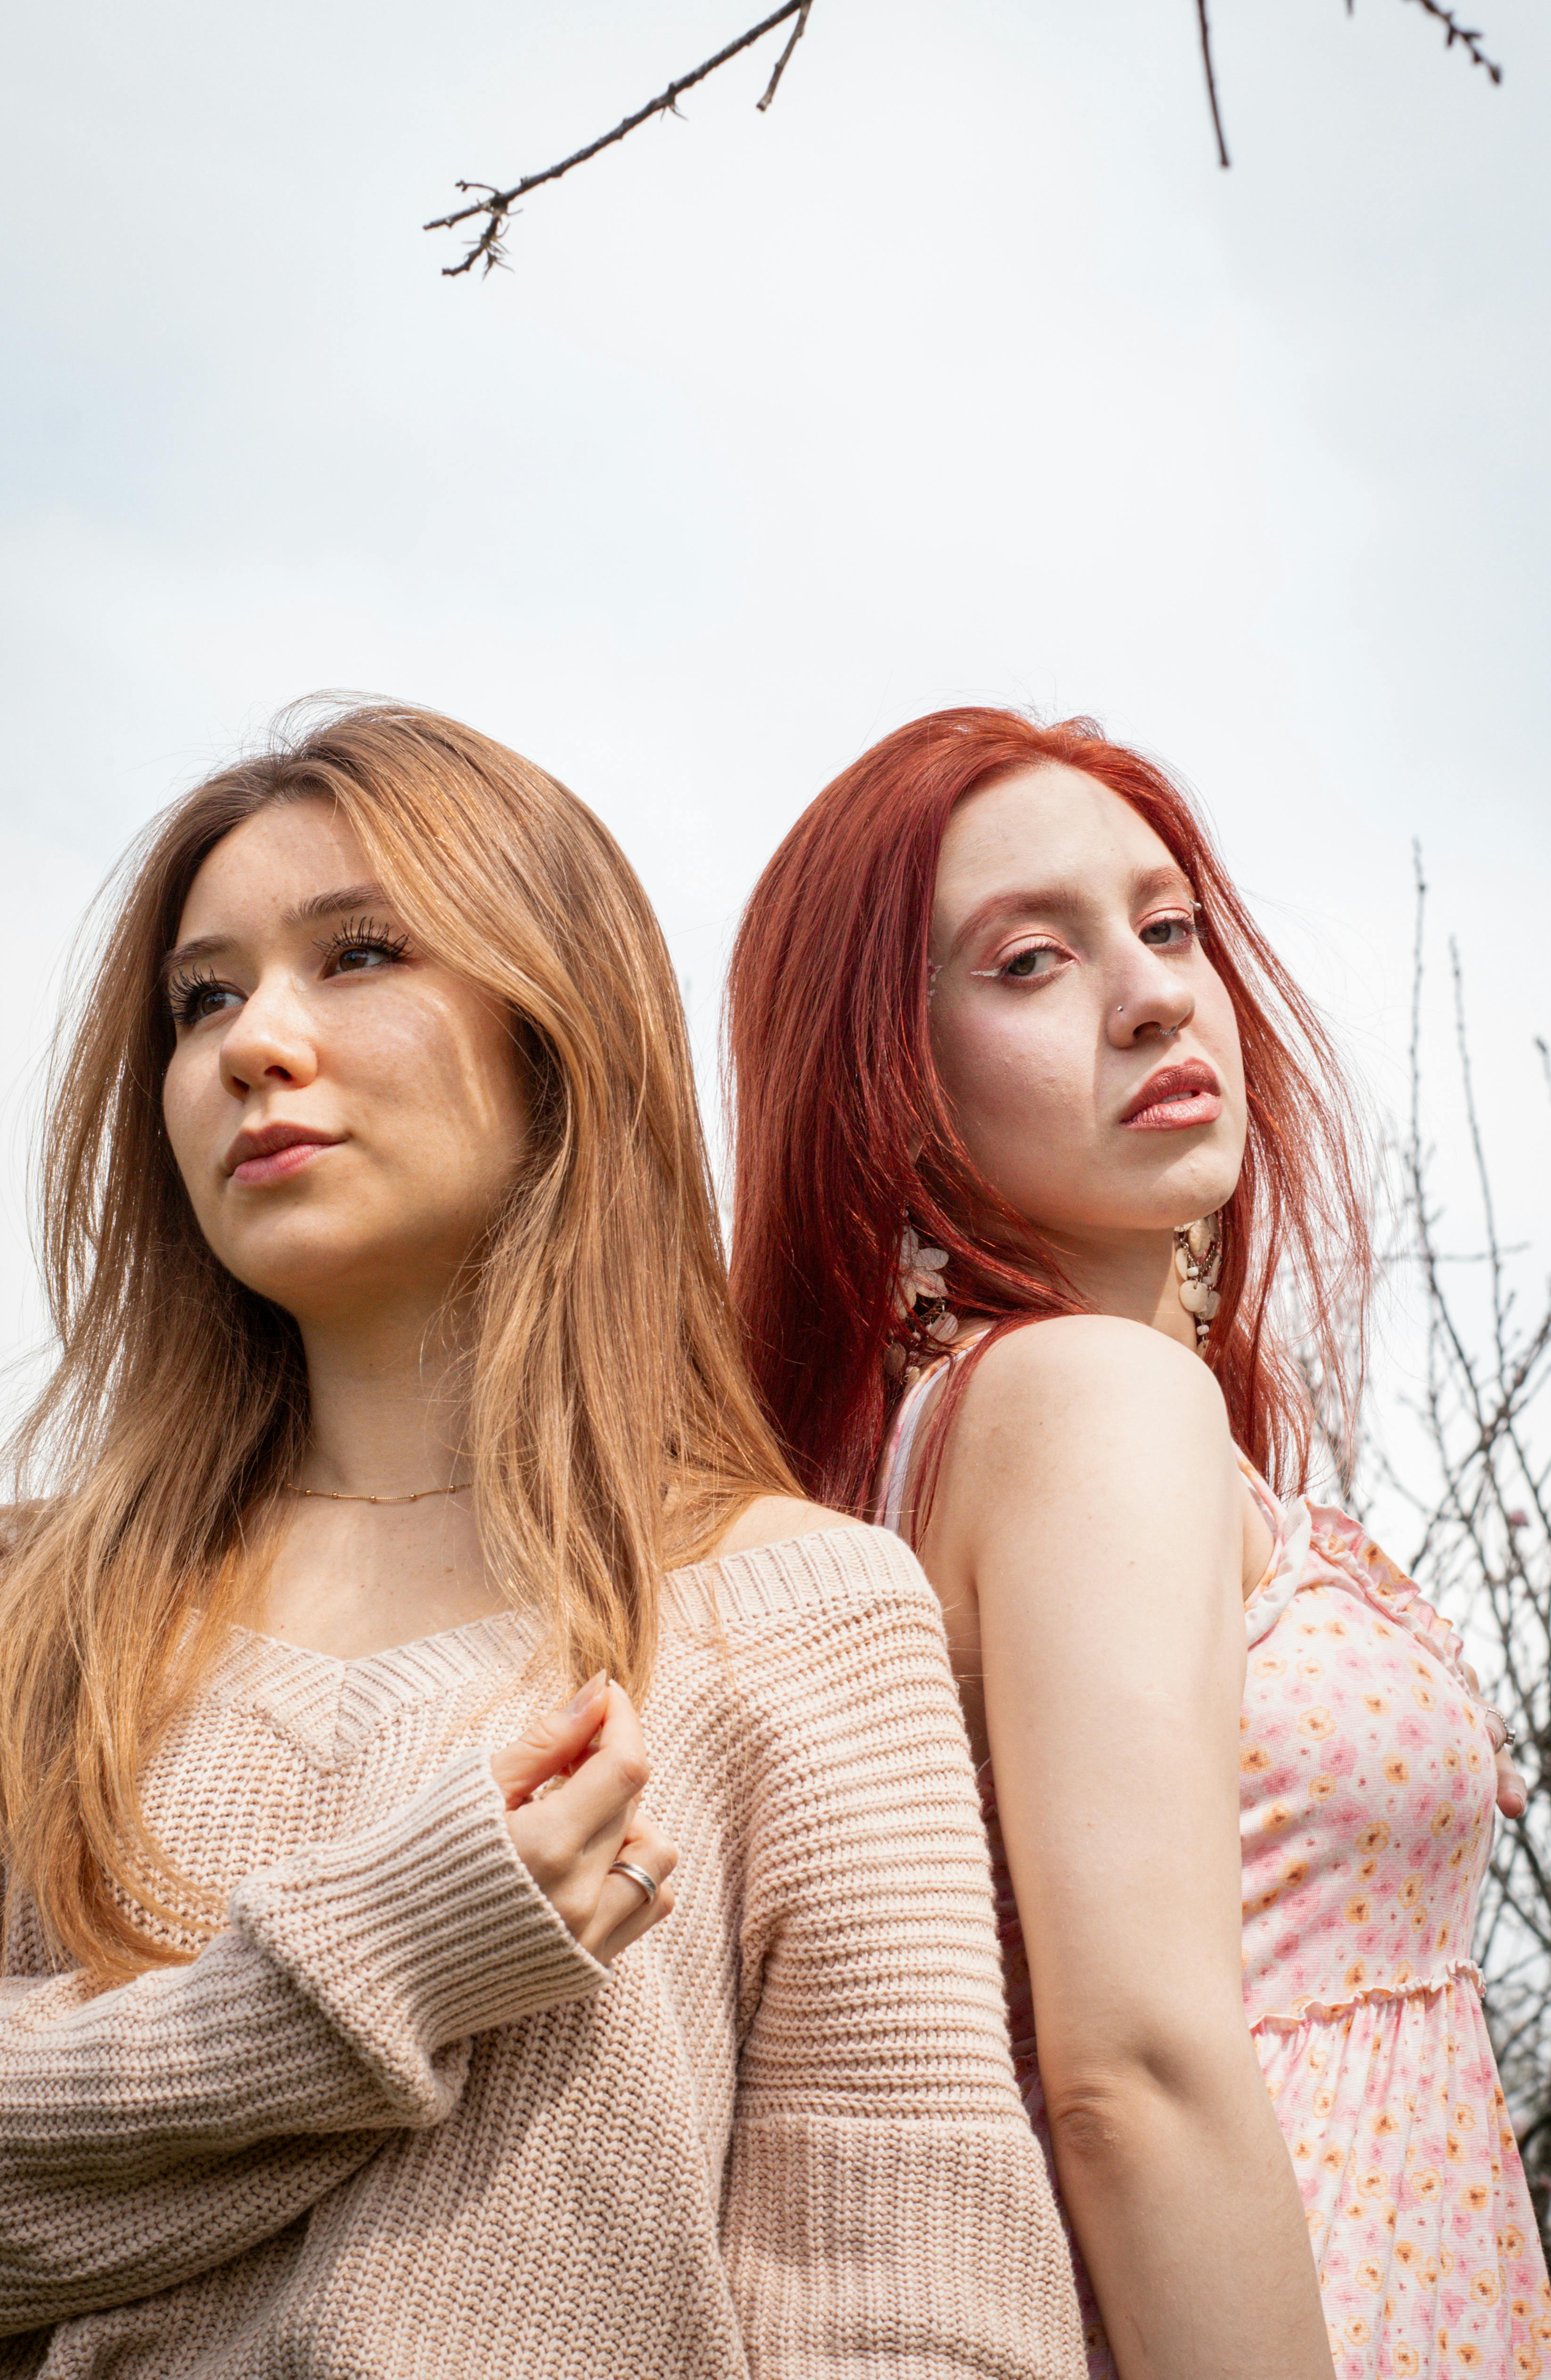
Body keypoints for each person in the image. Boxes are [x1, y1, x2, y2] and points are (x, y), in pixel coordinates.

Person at [0, 701, 1084, 2380]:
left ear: (556, 1030)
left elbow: (917, 2308)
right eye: (200, 995)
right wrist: (382, 1960)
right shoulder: (38, 1603)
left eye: (359, 953)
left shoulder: (804, 1611)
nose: (252, 1040)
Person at [726, 706, 1551, 2380]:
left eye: (1169, 926)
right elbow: (1134, 2081)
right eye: (1031, 960)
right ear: (890, 1085)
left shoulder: (980, 1429)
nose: (1160, 992)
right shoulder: (1085, 1400)